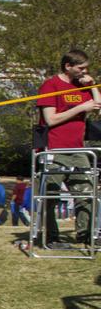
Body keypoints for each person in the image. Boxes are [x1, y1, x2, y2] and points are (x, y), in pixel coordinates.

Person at [37, 49, 100, 246]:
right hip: (54, 150)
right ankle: (50, 238)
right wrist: (81, 108)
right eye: (81, 68)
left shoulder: (82, 86)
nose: (84, 71)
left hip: (79, 150)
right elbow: (51, 119)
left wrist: (92, 86)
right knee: (50, 196)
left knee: (86, 194)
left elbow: (98, 104)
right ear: (68, 66)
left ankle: (87, 235)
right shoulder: (51, 85)